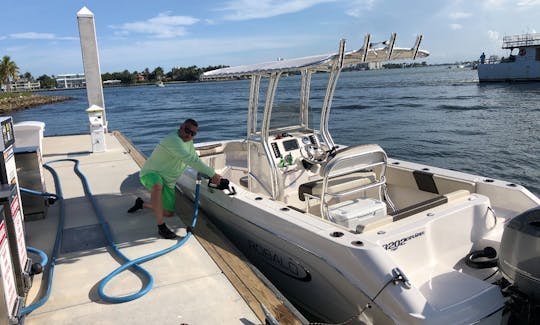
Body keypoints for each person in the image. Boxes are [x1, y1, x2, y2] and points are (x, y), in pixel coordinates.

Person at [128, 118, 221, 239]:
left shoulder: (189, 142)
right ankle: (161, 227)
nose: (189, 135)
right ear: (181, 127)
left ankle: (142, 204)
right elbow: (190, 159)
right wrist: (213, 174)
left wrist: (209, 174)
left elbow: (194, 158)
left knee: (168, 213)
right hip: (151, 173)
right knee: (157, 186)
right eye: (187, 130)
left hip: (169, 181)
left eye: (193, 133)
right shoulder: (173, 140)